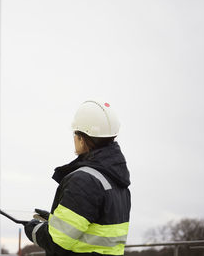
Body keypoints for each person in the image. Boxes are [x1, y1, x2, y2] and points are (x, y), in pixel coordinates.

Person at [24, 100, 131, 255]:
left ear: (82, 137)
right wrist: (55, 221)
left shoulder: (85, 181)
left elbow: (56, 242)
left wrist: (33, 228)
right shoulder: (117, 182)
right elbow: (95, 226)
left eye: (75, 133)